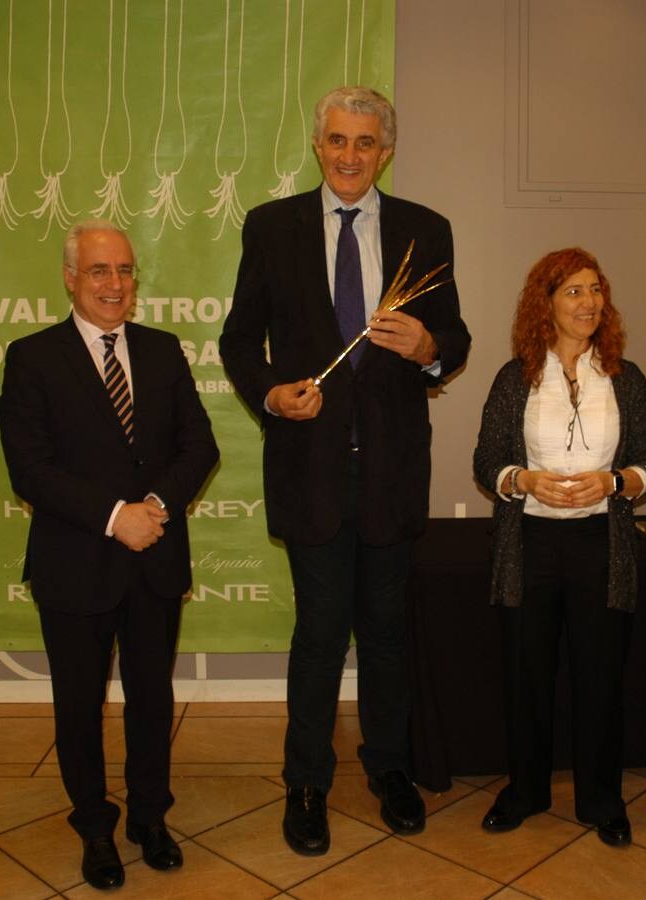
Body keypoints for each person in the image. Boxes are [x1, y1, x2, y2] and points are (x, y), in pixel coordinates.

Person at [219, 86, 470, 855]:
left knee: (387, 635)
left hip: (393, 473)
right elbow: (238, 341)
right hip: (311, 470)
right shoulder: (272, 226)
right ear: (317, 144)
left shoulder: (425, 230)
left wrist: (427, 350)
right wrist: (269, 393)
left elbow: (453, 337)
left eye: (365, 142)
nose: (350, 155)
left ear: (384, 150)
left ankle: (389, 771)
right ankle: (306, 784)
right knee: (321, 633)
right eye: (337, 140)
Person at [0, 219, 219, 890]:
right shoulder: (33, 357)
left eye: (123, 270)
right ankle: (94, 827)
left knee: (151, 699)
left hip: (154, 554)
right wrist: (112, 517)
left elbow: (199, 445)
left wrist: (153, 507)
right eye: (99, 271)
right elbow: (28, 469)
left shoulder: (160, 350)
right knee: (78, 704)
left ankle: (149, 817)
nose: (114, 284)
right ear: (70, 277)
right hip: (74, 562)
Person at [472, 247, 646, 847]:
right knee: (527, 678)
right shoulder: (516, 377)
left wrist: (615, 482)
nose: (589, 302)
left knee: (600, 679)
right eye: (574, 291)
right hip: (528, 544)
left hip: (601, 546)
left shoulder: (626, 379)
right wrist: (523, 480)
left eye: (595, 289)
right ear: (546, 304)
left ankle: (602, 800)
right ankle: (525, 791)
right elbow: (486, 463)